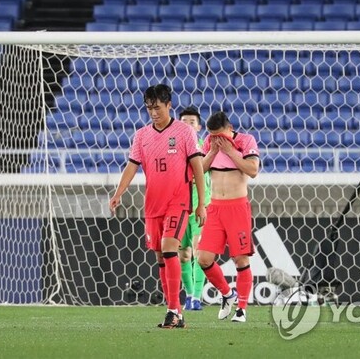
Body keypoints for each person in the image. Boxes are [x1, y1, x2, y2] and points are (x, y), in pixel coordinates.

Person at [109, 84, 206, 329]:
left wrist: (201, 204)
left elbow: (197, 167)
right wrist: (118, 193)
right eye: (149, 108)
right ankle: (176, 311)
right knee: (161, 257)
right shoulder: (141, 135)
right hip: (153, 204)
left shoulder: (184, 132)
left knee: (170, 248)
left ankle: (173, 310)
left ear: (169, 105)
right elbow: (132, 166)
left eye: (158, 107)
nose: (153, 112)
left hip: (178, 201)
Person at [196, 111, 260, 323]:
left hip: (237, 207)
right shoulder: (209, 142)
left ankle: (241, 309)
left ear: (230, 128)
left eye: (219, 135)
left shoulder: (245, 141)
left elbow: (253, 170)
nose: (216, 139)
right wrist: (213, 152)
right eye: (212, 135)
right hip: (215, 207)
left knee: (240, 259)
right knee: (203, 259)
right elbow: (199, 170)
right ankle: (227, 293)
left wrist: (231, 152)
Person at [177, 106, 212, 311]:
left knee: (199, 252)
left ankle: (197, 297)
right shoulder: (173, 148)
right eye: (184, 122)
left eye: (192, 122)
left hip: (201, 206)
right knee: (183, 255)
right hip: (180, 207)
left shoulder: (206, 147)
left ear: (199, 127)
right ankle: (189, 295)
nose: (188, 125)